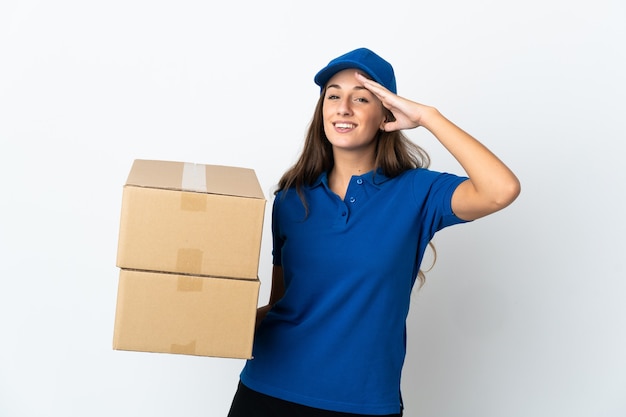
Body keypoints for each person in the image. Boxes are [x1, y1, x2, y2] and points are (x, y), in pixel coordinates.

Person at [227, 47, 520, 417]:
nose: (343, 107)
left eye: (361, 97)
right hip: (267, 390)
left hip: (363, 402)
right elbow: (282, 304)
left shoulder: (417, 192)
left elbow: (500, 190)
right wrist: (214, 323)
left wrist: (428, 116)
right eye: (333, 95)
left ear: (387, 114)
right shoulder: (291, 199)